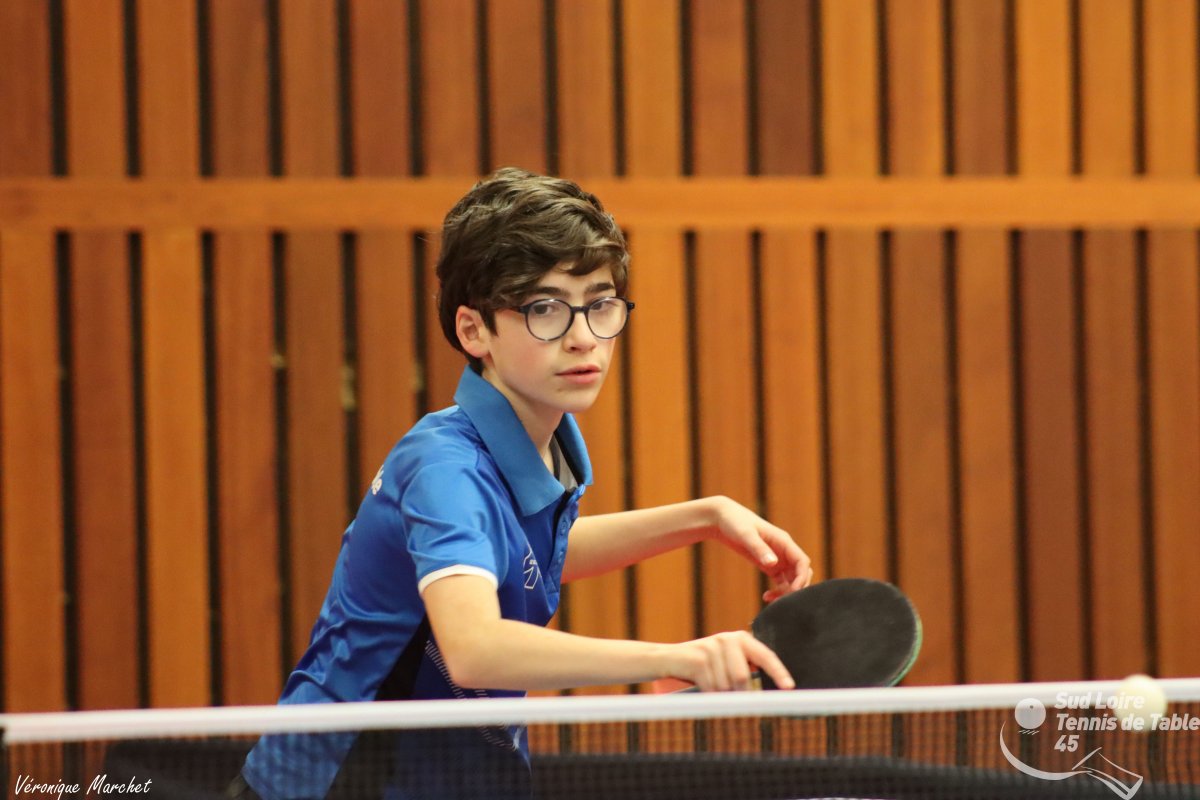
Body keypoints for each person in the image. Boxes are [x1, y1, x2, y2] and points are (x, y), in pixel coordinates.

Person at [230, 168, 813, 799]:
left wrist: (705, 516)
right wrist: (675, 657)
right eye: (545, 309)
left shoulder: (540, 445)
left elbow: (526, 561)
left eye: (599, 303)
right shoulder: (445, 468)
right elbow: (473, 647)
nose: (584, 338)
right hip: (339, 786)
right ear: (473, 330)